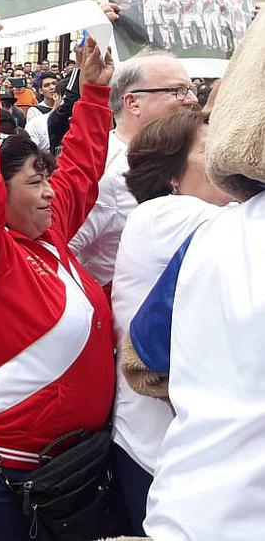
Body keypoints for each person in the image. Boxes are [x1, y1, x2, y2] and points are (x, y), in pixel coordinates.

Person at [0, 3, 115, 538]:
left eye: (45, 177)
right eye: (33, 181)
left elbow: (80, 171)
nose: (49, 190)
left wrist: (94, 92)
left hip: (63, 466)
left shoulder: (48, 233)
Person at [109, 111, 234, 534]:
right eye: (208, 151)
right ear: (171, 176)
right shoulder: (166, 214)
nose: (225, 160)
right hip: (155, 451)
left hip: (166, 440)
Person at [69, 51, 199, 287]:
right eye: (177, 90)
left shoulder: (182, 161)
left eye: (191, 89)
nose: (191, 99)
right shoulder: (107, 174)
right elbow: (59, 253)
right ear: (133, 103)